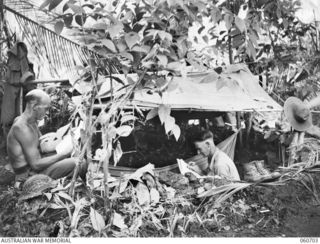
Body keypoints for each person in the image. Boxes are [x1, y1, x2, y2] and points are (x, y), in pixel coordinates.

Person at [7, 89, 83, 181]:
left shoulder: (32, 122)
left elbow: (40, 146)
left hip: (35, 169)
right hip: (28, 178)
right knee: (80, 163)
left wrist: (65, 138)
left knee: (71, 155)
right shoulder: (21, 128)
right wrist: (63, 154)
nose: (47, 113)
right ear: (35, 106)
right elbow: (36, 164)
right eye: (46, 108)